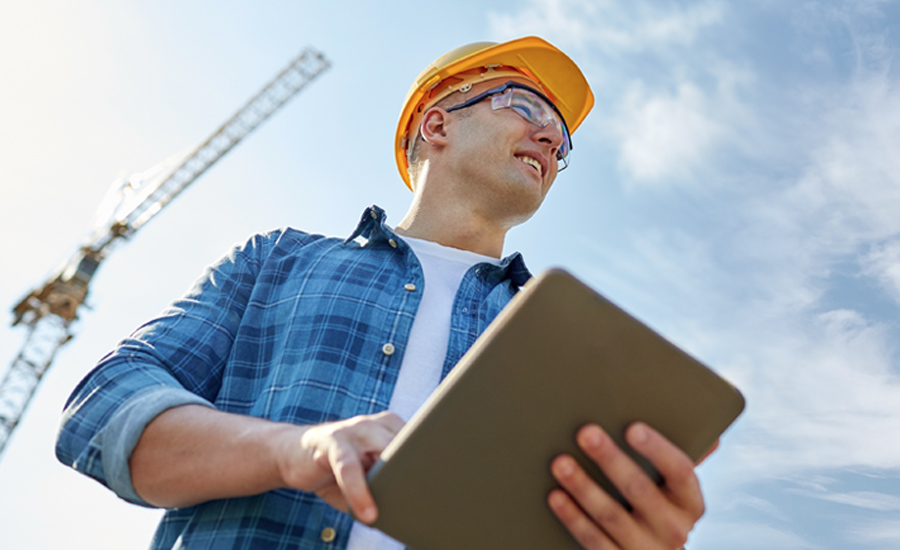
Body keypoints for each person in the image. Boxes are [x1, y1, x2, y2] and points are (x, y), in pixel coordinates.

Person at [56, 36, 707, 549]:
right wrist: (289, 450)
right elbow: (103, 408)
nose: (551, 138)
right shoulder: (278, 260)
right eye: (528, 107)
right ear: (438, 124)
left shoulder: (568, 349)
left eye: (563, 141)